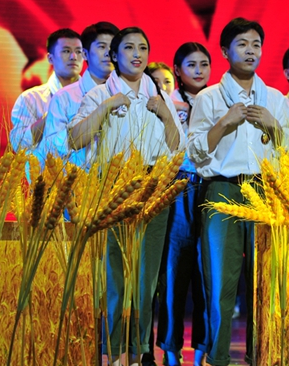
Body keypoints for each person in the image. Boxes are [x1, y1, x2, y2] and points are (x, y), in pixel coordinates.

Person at [68, 27, 185, 366]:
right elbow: (74, 140)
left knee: (145, 279)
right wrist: (106, 107)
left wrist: (165, 115)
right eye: (129, 48)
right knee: (115, 276)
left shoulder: (158, 96)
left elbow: (178, 149)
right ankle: (113, 353)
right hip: (113, 188)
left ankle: (137, 352)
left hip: (154, 190)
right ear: (114, 56)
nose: (137, 54)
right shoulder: (99, 94)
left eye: (143, 48)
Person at [188, 18, 289, 366]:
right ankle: (217, 357)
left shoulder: (275, 99)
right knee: (220, 280)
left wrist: (275, 127)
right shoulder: (209, 98)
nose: (251, 51)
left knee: (264, 280)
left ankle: (261, 353)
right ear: (225, 51)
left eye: (256, 45)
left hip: (265, 191)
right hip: (222, 190)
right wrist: (224, 123)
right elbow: (195, 154)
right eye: (242, 44)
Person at [156, 42, 212, 366]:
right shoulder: (167, 102)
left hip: (212, 189)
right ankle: (170, 349)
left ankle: (203, 350)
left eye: (204, 64)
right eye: (191, 65)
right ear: (177, 70)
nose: (199, 70)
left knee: (208, 276)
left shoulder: (218, 101)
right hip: (178, 188)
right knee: (174, 274)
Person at [40, 21, 118, 168]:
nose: (108, 53)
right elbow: (50, 149)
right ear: (85, 54)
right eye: (102, 47)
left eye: (113, 47)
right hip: (76, 179)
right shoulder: (64, 97)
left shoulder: (128, 95)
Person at [9, 28, 83, 157]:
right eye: (66, 51)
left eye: (78, 51)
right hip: (42, 169)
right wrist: (52, 115)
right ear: (50, 58)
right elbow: (19, 145)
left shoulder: (94, 96)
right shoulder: (30, 98)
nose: (74, 57)